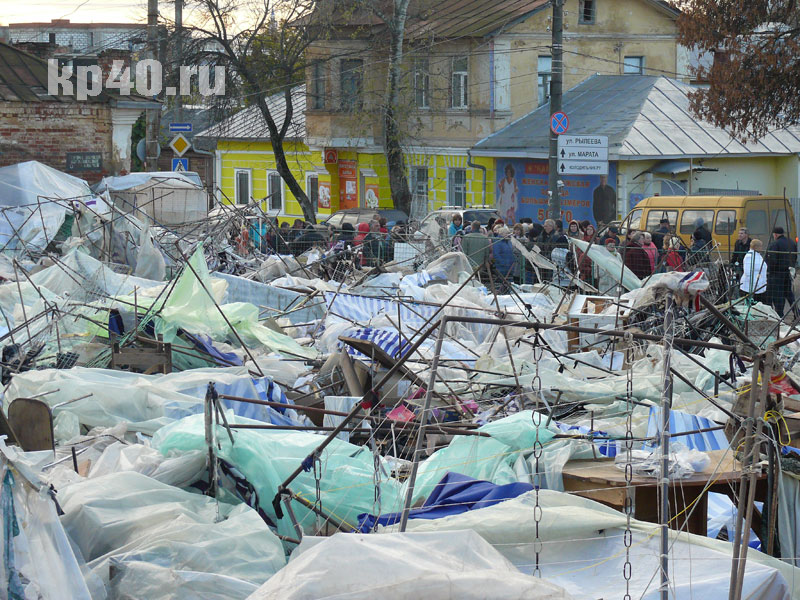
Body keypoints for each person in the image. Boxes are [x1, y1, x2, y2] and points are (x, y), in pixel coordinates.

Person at [766, 226, 793, 316]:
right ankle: (797, 313)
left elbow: (772, 260)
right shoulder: (791, 242)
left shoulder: (775, 244)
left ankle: (779, 316)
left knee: (778, 296)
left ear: (775, 234)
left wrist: (769, 271)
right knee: (789, 294)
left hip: (776, 274)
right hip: (788, 272)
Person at [740, 238, 767, 304]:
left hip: (758, 286)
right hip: (751, 286)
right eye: (760, 246)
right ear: (756, 247)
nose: (761, 248)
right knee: (752, 305)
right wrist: (755, 283)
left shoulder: (757, 255)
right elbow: (748, 272)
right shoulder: (749, 256)